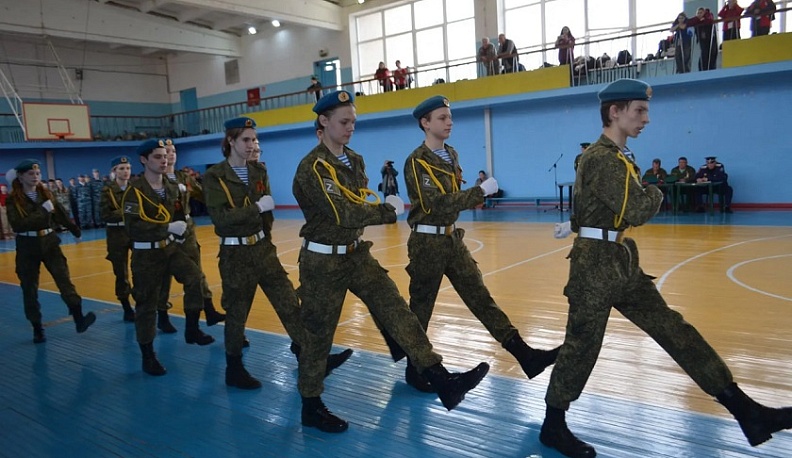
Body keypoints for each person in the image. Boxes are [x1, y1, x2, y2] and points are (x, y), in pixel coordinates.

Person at [539, 78, 792, 458]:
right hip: (595, 269)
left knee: (675, 331)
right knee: (582, 346)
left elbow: (599, 207)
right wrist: (657, 188)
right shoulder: (604, 157)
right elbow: (638, 209)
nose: (646, 119)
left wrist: (578, 223)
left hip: (621, 261)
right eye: (639, 111)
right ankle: (552, 426)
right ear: (615, 112)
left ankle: (746, 411)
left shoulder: (618, 157)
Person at [293, 90, 489, 433]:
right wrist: (386, 211)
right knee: (318, 335)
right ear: (323, 122)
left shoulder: (353, 160)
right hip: (323, 262)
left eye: (353, 121)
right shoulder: (312, 167)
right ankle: (311, 403)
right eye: (344, 121)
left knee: (399, 313)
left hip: (356, 253)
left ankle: (441, 379)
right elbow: (342, 211)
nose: (351, 127)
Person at [384, 95, 558, 393]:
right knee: (421, 309)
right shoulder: (416, 161)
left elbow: (450, 200)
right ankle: (416, 370)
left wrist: (474, 194)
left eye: (449, 117)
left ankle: (525, 355)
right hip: (427, 242)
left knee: (481, 298)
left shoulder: (451, 154)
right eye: (441, 117)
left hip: (452, 238)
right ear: (425, 123)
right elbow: (435, 203)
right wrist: (480, 193)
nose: (449, 122)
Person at [202, 117, 353, 390]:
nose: (252, 144)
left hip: (262, 249)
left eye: (255, 139)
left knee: (289, 303)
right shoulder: (215, 177)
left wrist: (265, 237)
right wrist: (256, 209)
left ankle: (314, 357)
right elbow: (221, 219)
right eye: (246, 140)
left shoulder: (258, 172)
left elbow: (266, 216)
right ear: (231, 142)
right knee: (237, 313)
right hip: (235, 254)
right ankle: (233, 369)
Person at [121, 139, 215, 377]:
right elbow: (133, 228)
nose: (164, 161)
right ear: (144, 160)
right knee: (147, 304)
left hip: (170, 249)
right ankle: (148, 355)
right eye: (157, 157)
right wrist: (167, 228)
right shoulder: (135, 191)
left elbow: (176, 216)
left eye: (165, 156)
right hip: (146, 254)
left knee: (195, 277)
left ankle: (192, 328)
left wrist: (179, 230)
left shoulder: (172, 187)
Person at [6, 159, 96, 343]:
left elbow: (61, 214)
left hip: (49, 242)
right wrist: (42, 211)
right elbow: (18, 224)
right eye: (31, 174)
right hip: (27, 245)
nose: (35, 177)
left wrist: (74, 230)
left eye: (38, 174)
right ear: (21, 177)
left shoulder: (46, 194)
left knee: (64, 280)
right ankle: (37, 327)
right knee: (29, 288)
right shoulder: (13, 200)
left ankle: (79, 318)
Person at [160, 138, 226, 331]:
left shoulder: (184, 178)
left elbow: (204, 195)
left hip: (187, 232)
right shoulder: (154, 180)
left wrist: (224, 205)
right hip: (166, 233)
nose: (170, 154)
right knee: (164, 277)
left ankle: (209, 309)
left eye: (173, 150)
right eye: (166, 151)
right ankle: (162, 315)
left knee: (197, 272)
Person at [100, 155, 136, 322]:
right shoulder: (107, 191)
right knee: (121, 273)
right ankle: (126, 307)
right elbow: (105, 215)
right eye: (121, 169)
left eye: (128, 168)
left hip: (134, 232)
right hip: (116, 235)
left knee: (141, 269)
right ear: (114, 171)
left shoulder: (135, 188)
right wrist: (127, 211)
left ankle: (141, 301)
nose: (125, 171)